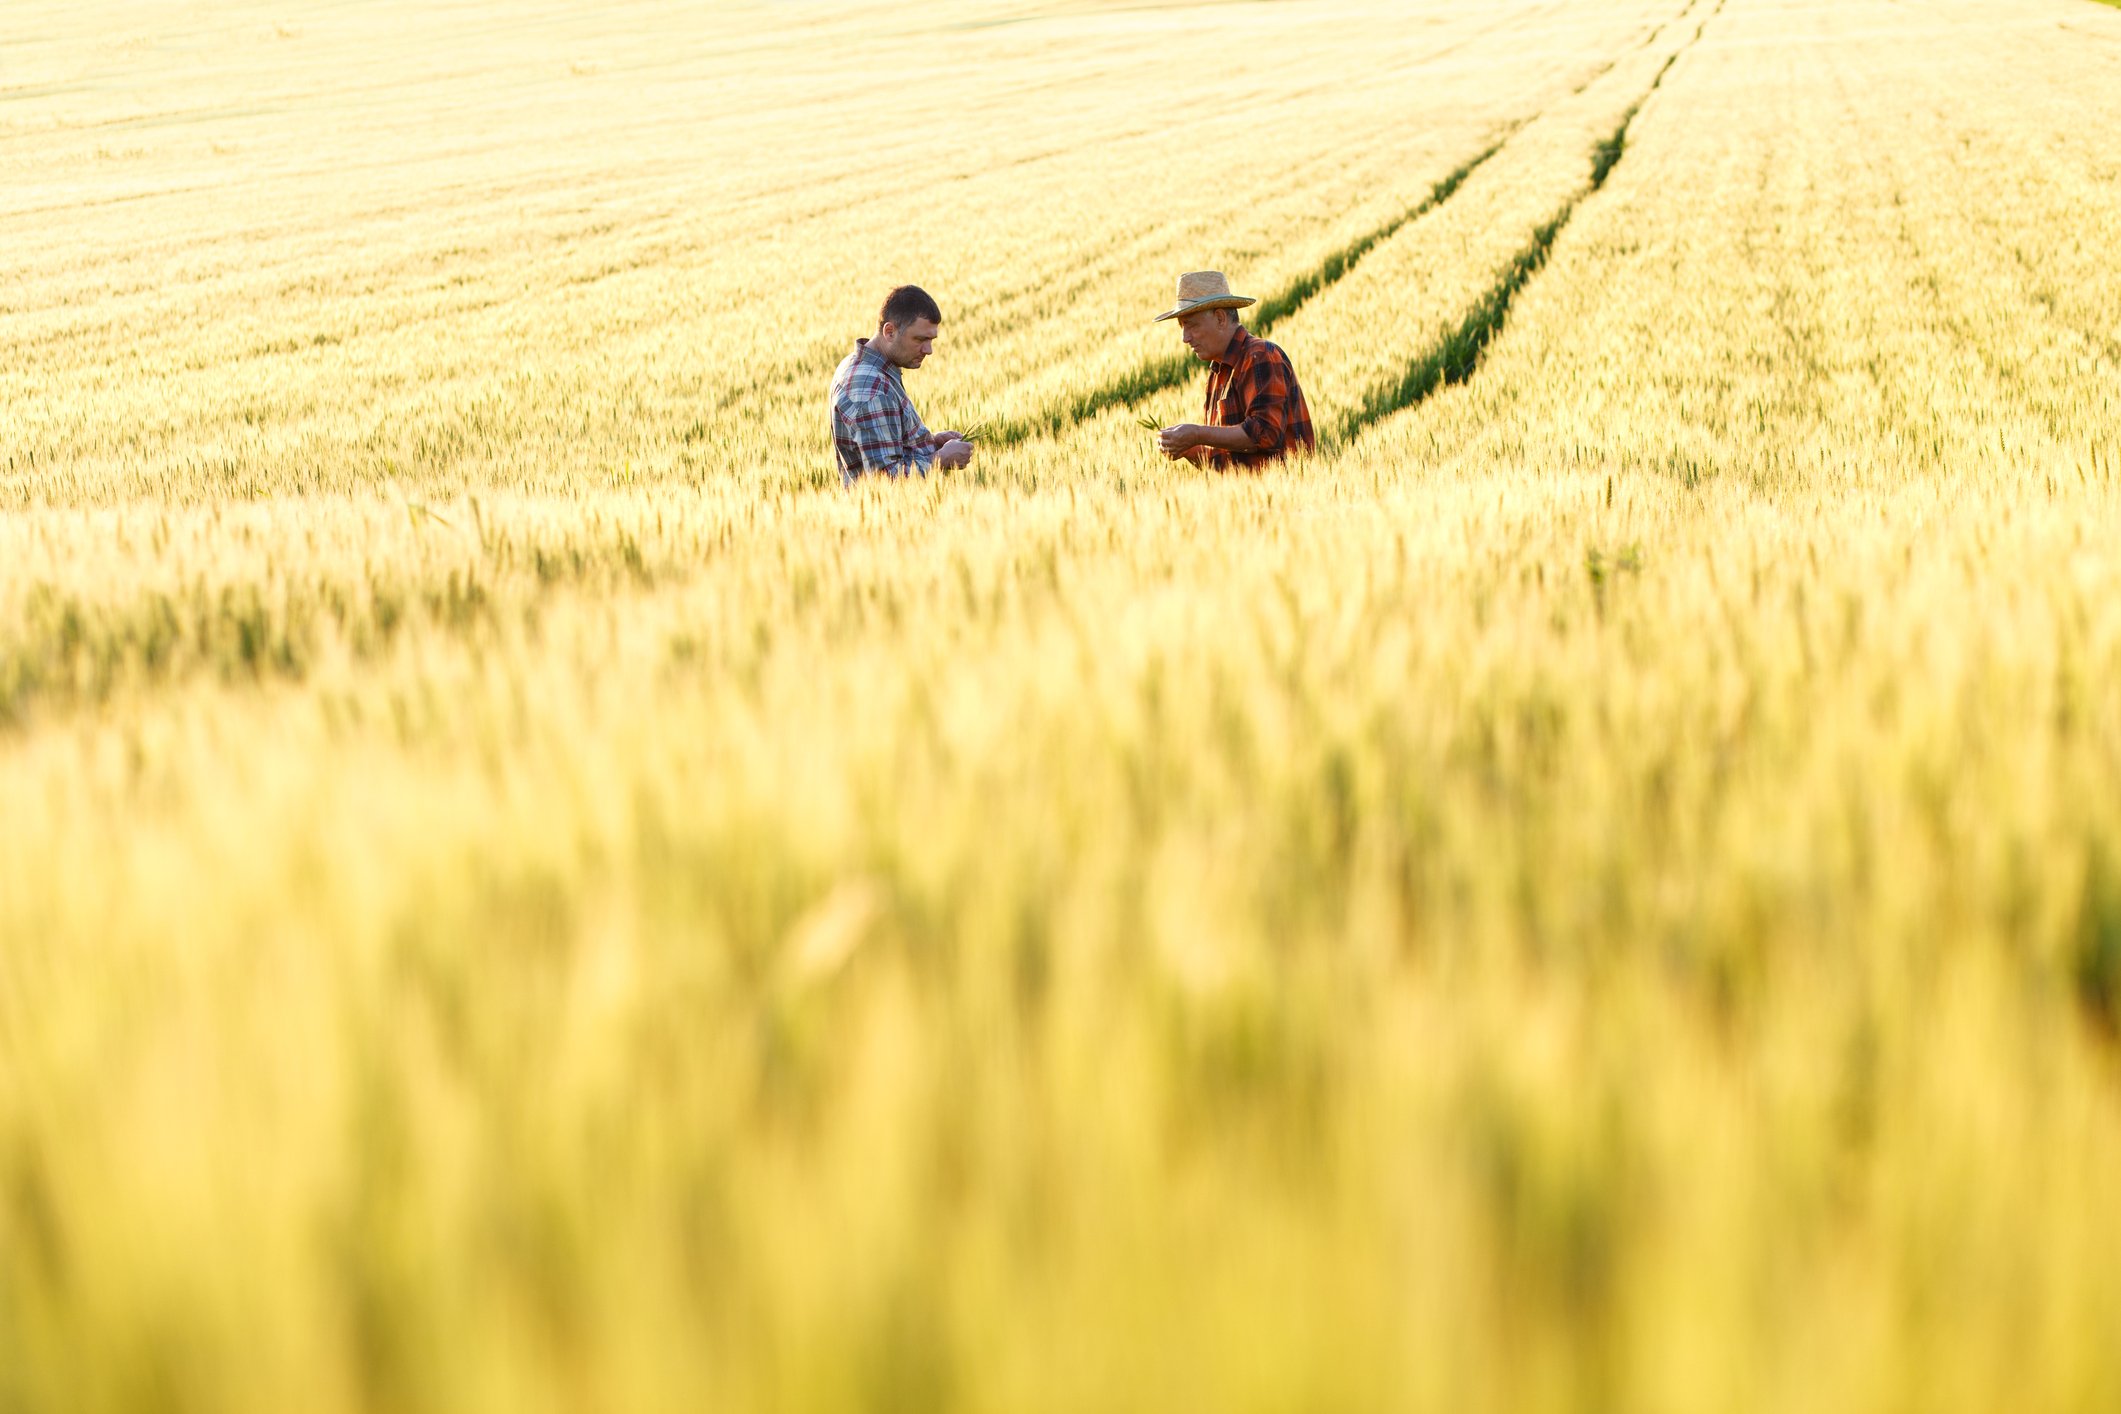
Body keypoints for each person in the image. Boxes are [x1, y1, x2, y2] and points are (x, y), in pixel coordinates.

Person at [1150, 271, 1314, 470]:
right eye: (1182, 327)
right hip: (1246, 499)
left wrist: (1197, 434)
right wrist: (1186, 448)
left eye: (1191, 325)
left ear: (1220, 318)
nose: (1185, 338)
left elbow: (1264, 434)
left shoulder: (1260, 355)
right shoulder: (1218, 373)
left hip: (1280, 498)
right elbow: (1226, 461)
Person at [830, 285, 974, 484]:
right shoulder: (871, 392)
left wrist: (931, 442)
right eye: (920, 339)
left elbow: (885, 443)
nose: (929, 350)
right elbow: (886, 481)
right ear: (889, 332)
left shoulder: (861, 364)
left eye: (931, 340)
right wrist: (940, 460)